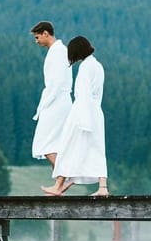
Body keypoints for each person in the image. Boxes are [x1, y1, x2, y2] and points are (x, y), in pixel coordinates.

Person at [41, 36, 109, 196]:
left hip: (82, 111)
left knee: (67, 147)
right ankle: (103, 187)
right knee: (97, 149)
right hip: (96, 111)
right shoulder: (97, 66)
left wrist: (83, 120)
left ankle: (58, 185)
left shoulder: (86, 67)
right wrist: (92, 116)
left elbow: (83, 94)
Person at [30, 21, 73, 171]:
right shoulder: (60, 50)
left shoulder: (58, 52)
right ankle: (61, 180)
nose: (36, 42)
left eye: (37, 37)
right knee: (53, 142)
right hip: (59, 100)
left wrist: (46, 103)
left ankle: (64, 175)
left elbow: (58, 81)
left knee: (43, 143)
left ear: (45, 34)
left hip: (56, 101)